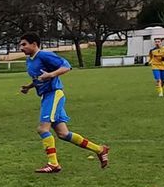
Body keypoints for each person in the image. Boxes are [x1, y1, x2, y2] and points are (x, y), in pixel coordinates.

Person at [18, 32, 109, 173]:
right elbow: (39, 78)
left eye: (24, 44)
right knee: (63, 134)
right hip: (46, 96)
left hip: (53, 94)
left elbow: (66, 66)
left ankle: (53, 164)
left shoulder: (44, 55)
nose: (21, 47)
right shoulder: (30, 60)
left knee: (42, 129)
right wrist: (29, 87)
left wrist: (52, 74)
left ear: (34, 44)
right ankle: (100, 149)